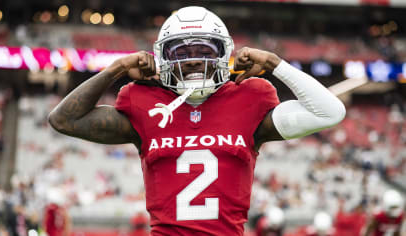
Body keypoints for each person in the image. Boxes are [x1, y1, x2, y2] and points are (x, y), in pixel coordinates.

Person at [48, 6, 346, 235]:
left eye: (204, 50)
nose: (192, 59)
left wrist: (274, 64)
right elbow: (63, 119)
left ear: (223, 54)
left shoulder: (250, 97)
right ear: (163, 57)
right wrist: (116, 69)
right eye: (182, 51)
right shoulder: (144, 102)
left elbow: (330, 111)